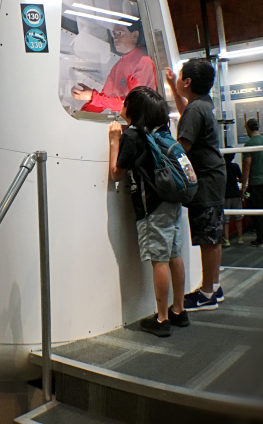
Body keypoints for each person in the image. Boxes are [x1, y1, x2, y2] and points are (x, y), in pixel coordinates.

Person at [109, 86, 188, 337]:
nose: (123, 106)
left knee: (159, 260)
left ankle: (162, 318)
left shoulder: (132, 136)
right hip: (172, 201)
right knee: (174, 254)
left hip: (152, 206)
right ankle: (179, 310)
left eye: (126, 102)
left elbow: (116, 174)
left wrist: (114, 140)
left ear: (134, 109)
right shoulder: (162, 132)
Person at [165, 59, 227, 311]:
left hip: (206, 179)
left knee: (208, 238)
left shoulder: (195, 109)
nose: (178, 77)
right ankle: (213, 286)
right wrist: (172, 86)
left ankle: (207, 294)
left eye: (180, 75)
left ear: (188, 81)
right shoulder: (202, 104)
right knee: (213, 236)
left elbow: (184, 147)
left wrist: (161, 156)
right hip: (214, 176)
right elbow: (187, 114)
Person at [73, 21, 156, 113]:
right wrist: (82, 113)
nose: (115, 38)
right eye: (114, 34)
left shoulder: (143, 61)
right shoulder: (119, 64)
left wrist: (93, 96)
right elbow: (105, 97)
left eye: (120, 33)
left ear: (135, 35)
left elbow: (134, 104)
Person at [241, 118, 263, 247]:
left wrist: (243, 186)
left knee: (257, 211)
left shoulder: (249, 144)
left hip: (256, 183)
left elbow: (247, 166)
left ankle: (261, 239)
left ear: (248, 128)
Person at [222, 153, 243, 247]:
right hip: (235, 194)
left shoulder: (222, 167)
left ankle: (226, 239)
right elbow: (241, 179)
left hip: (225, 195)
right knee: (238, 218)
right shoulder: (235, 166)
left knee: (226, 220)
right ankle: (240, 237)